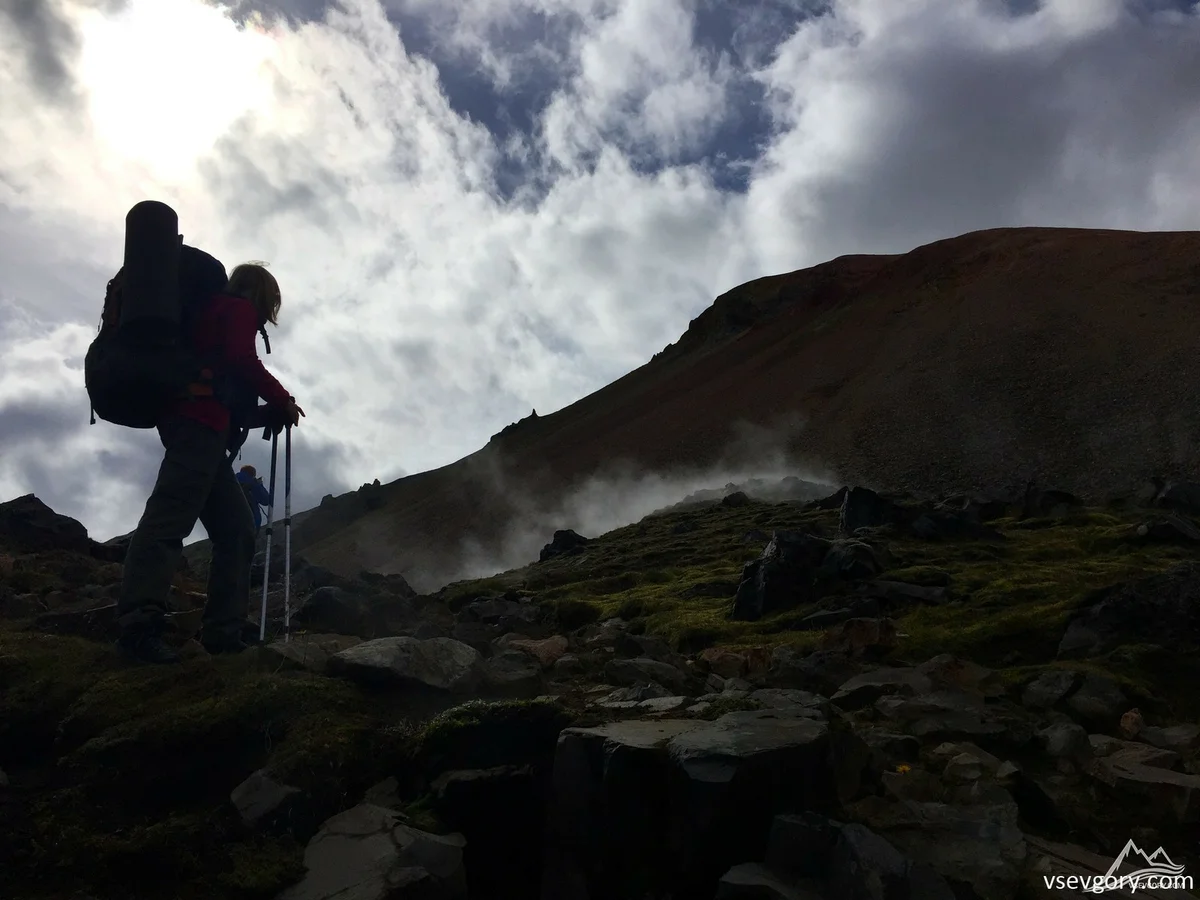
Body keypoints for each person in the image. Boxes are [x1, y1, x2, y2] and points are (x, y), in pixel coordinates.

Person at [115, 263, 305, 665]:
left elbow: (224, 395)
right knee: (169, 520)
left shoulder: (212, 314)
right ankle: (138, 627)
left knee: (236, 530)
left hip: (202, 429)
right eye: (273, 299)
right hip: (197, 427)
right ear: (263, 295)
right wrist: (282, 399)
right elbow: (241, 361)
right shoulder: (234, 311)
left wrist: (264, 413)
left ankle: (223, 633)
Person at [236, 464, 272, 533]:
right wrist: (259, 484)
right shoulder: (252, 482)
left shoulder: (232, 480)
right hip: (248, 523)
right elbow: (266, 500)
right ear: (252, 473)